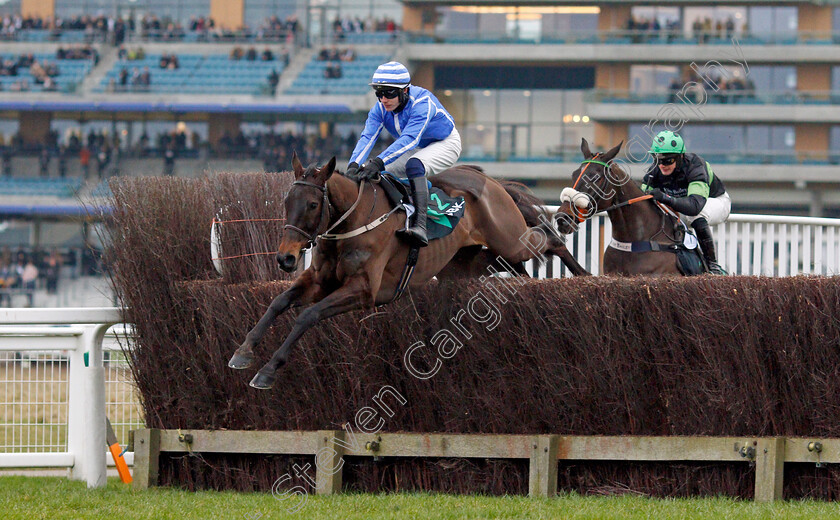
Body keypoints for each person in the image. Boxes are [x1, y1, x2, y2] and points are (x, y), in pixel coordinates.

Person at [346, 61, 461, 247]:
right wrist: (353, 165)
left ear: (405, 91)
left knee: (414, 165)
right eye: (379, 93)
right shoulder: (379, 109)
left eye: (389, 93)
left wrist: (379, 161)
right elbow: (367, 137)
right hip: (415, 147)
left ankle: (421, 225)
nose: (383, 99)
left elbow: (409, 139)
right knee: (376, 174)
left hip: (445, 143)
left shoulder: (423, 103)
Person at [642, 130, 730, 274]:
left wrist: (665, 197)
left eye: (668, 160)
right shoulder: (655, 171)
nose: (662, 165)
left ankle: (712, 265)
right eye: (658, 159)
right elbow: (643, 199)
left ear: (680, 157)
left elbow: (695, 206)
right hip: (684, 208)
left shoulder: (696, 166)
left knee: (695, 216)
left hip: (716, 202)